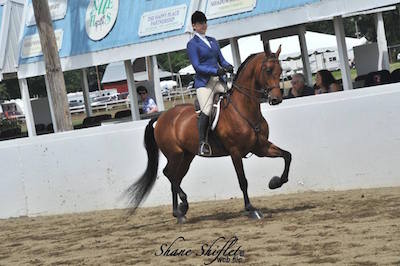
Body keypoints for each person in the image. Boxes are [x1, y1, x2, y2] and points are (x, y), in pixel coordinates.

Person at [186, 11, 233, 156]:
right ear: (194, 26)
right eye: (200, 23)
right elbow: (197, 66)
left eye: (204, 22)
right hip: (204, 83)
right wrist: (215, 71)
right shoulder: (192, 44)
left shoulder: (213, 40)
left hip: (219, 80)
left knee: (236, 94)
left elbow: (221, 60)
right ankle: (203, 143)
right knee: (206, 110)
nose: (203, 25)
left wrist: (228, 66)